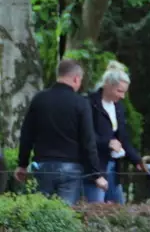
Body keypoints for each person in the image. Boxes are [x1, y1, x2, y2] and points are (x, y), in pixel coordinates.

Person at [15, 59, 107, 204]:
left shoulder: (39, 99)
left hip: (42, 165)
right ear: (76, 78)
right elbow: (88, 141)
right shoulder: (81, 103)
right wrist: (96, 174)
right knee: (64, 216)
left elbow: (27, 134)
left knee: (40, 213)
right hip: (70, 168)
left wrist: (22, 164)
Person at [83, 60, 143, 204]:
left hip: (113, 166)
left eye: (124, 92)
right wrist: (107, 143)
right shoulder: (89, 104)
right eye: (119, 91)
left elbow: (123, 138)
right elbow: (85, 136)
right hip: (95, 166)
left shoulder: (118, 107)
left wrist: (136, 159)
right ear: (108, 85)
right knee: (96, 207)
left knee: (119, 207)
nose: (122, 96)